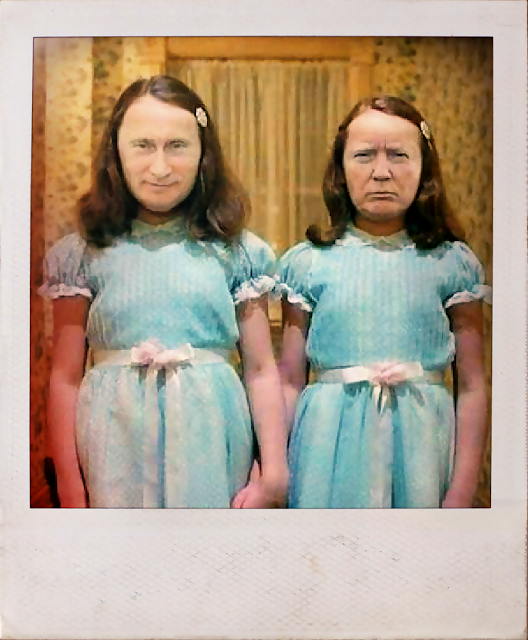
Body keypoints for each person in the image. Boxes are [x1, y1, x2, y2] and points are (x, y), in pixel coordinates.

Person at [39, 75, 288, 509]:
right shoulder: (81, 254)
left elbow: (261, 369)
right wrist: (69, 484)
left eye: (177, 146)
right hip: (114, 442)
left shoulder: (238, 253)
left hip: (212, 441)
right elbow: (64, 377)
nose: (160, 167)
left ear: (203, 155)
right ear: (116, 152)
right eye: (142, 145)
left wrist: (274, 471)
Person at [278, 95, 490, 509]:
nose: (381, 172)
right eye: (364, 156)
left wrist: (462, 491)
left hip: (421, 447)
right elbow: (289, 381)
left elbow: (472, 386)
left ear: (424, 169)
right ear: (340, 171)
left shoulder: (453, 264)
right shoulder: (307, 263)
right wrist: (273, 471)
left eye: (398, 155)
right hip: (327, 450)